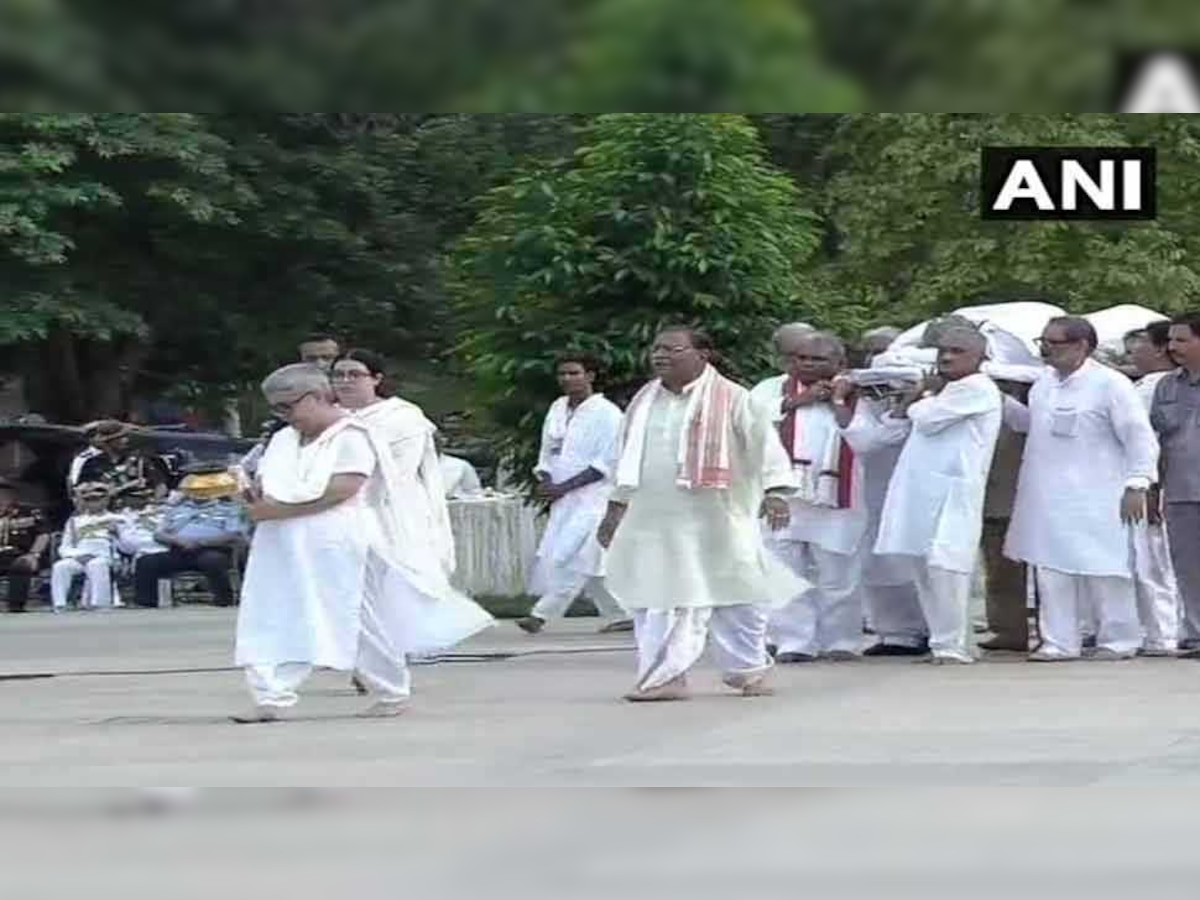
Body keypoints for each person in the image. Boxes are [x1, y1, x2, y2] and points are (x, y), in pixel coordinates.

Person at [234, 364, 492, 722]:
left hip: (336, 538)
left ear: (314, 397)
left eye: (287, 406)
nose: (283, 416)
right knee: (274, 611)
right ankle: (271, 695)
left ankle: (391, 690)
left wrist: (280, 509)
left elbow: (344, 489)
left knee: (355, 617)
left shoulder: (353, 435)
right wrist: (258, 500)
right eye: (276, 409)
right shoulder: (283, 440)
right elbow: (272, 482)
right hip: (280, 539)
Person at [596, 325, 805, 701]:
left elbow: (765, 447)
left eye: (672, 349)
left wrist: (776, 492)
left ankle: (748, 669)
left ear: (702, 355)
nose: (660, 355)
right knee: (662, 594)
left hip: (721, 516)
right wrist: (614, 509)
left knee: (739, 594)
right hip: (655, 520)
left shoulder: (734, 398)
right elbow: (623, 460)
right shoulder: (644, 400)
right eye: (656, 349)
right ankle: (664, 677)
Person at [1005, 317, 1159, 662]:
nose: (1045, 349)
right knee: (1050, 568)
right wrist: (1001, 403)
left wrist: (1138, 481)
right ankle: (1059, 641)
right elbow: (1035, 426)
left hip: (1100, 493)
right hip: (1047, 494)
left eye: (1054, 343)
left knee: (1106, 567)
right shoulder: (1043, 384)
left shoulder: (1110, 384)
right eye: (1042, 341)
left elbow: (1139, 437)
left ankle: (1118, 640)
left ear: (1082, 346)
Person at [874, 325, 1002, 665]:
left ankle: (953, 646)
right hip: (922, 490)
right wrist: (921, 398)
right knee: (923, 566)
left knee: (947, 567)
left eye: (958, 351)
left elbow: (928, 419)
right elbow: (897, 423)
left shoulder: (977, 388)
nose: (946, 357)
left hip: (954, 490)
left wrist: (922, 396)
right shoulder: (949, 389)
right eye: (943, 350)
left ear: (980, 357)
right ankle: (942, 642)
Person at [750, 330, 868, 662]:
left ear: (840, 363)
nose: (808, 364)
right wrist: (796, 402)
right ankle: (794, 642)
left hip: (839, 498)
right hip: (782, 496)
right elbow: (748, 422)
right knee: (784, 569)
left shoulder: (859, 392)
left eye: (818, 359)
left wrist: (838, 401)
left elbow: (872, 436)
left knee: (839, 573)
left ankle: (841, 641)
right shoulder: (770, 389)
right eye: (802, 358)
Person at [517, 352, 627, 635]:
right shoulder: (558, 408)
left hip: (595, 497)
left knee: (578, 555)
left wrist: (564, 487)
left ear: (590, 376)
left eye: (574, 373)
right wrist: (545, 479)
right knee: (589, 559)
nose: (567, 379)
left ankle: (540, 614)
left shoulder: (609, 414)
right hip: (564, 499)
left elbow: (607, 463)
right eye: (562, 374)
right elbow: (548, 451)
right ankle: (622, 613)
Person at [829, 375, 927, 656]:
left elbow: (887, 435)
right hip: (870, 494)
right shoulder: (861, 403)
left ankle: (926, 633)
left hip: (916, 493)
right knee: (878, 564)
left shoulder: (930, 404)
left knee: (916, 564)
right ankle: (896, 634)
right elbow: (865, 441)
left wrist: (910, 401)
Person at [1124, 323, 1180, 655]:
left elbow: (1150, 442)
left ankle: (1163, 632)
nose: (1134, 351)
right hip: (1154, 483)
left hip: (1154, 484)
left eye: (1141, 344)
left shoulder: (1156, 388)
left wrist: (1150, 483)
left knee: (1156, 562)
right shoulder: (1149, 383)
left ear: (1160, 349)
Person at [1151, 312, 1200, 656]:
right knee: (1188, 567)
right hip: (1181, 489)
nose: (1173, 347)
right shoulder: (1166, 385)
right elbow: (1154, 438)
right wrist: (1153, 485)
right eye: (1170, 340)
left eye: (1182, 339)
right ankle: (1196, 633)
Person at [133, 464, 249, 608]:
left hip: (212, 549)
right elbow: (159, 534)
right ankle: (145, 603)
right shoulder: (177, 509)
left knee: (213, 561)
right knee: (146, 562)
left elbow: (234, 535)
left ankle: (224, 601)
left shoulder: (229, 509)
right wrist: (176, 540)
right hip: (179, 548)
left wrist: (201, 542)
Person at [976, 380, 1032, 653]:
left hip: (1009, 501)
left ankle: (1016, 629)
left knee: (1007, 571)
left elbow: (1022, 421)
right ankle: (1006, 627)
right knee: (996, 572)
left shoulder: (1020, 413)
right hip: (990, 502)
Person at [51, 482, 121, 611]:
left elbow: (126, 544)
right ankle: (60, 604)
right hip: (80, 556)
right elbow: (64, 547)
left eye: (97, 499)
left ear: (106, 500)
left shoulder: (117, 518)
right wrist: (77, 555)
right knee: (60, 566)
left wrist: (117, 532)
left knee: (96, 565)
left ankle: (99, 604)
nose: (92, 503)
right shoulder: (74, 521)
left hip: (105, 556)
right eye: (88, 500)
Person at [68, 420, 170, 502]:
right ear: (107, 442)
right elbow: (83, 493)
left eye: (125, 437)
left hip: (142, 510)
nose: (125, 440)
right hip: (108, 513)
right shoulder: (92, 465)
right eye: (120, 438)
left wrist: (156, 501)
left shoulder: (139, 460)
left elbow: (160, 484)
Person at [0, 479, 51, 613]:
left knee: (21, 565)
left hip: (19, 554)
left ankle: (16, 607)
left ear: (12, 495)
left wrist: (34, 555)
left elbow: (43, 535)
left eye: (4, 493)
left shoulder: (29, 512)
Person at [435, 433, 483, 499]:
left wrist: (456, 497)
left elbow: (476, 495)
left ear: (442, 441)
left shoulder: (461, 466)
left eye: (435, 440)